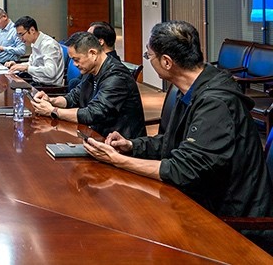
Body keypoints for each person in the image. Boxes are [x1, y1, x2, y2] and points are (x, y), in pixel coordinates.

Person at [82, 21, 273, 219]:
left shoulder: (216, 103)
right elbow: (172, 142)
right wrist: (131, 145)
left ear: (167, 62)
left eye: (149, 55)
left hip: (230, 218)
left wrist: (118, 160)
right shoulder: (192, 89)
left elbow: (183, 169)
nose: (148, 59)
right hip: (202, 199)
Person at [30, 31, 146, 139]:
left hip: (117, 143)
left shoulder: (117, 76)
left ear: (93, 53)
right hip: (95, 135)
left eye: (76, 59)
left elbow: (93, 113)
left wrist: (53, 111)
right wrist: (51, 100)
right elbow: (74, 97)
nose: (74, 64)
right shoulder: (92, 70)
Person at [5, 16, 65, 85]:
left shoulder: (48, 45)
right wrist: (18, 66)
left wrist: (26, 68)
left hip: (49, 87)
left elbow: (50, 72)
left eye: (21, 34)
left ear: (32, 30)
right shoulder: (35, 43)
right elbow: (32, 64)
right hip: (37, 82)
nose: (21, 39)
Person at [68, 21, 122, 93]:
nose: (84, 40)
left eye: (89, 38)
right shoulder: (93, 65)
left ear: (100, 42)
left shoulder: (114, 73)